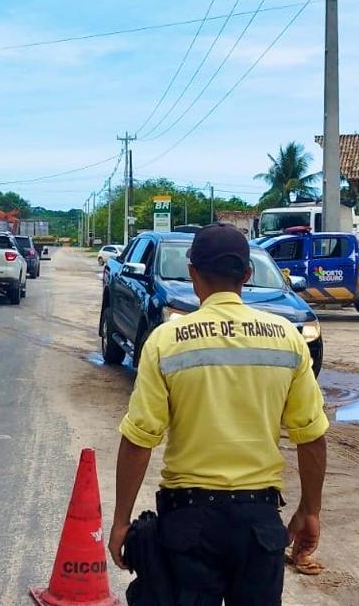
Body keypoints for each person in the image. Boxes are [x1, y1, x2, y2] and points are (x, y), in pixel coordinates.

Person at [108, 224, 329, 605]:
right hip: (258, 526)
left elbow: (139, 438)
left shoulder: (166, 341)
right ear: (247, 275)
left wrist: (121, 520)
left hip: (188, 527)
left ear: (193, 273)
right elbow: (310, 436)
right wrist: (310, 509)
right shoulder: (288, 339)